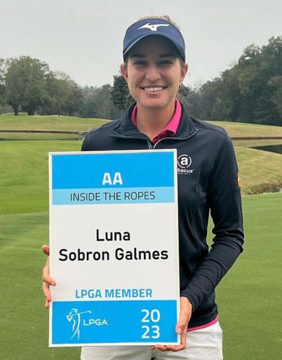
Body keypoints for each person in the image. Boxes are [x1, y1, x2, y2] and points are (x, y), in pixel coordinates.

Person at [43, 15, 244, 360]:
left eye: (165, 62)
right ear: (125, 71)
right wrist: (63, 267)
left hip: (192, 327)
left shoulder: (212, 142)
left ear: (183, 70)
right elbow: (89, 234)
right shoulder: (98, 143)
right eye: (140, 62)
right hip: (110, 325)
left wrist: (189, 299)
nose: (153, 74)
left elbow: (230, 235)